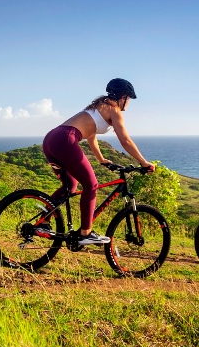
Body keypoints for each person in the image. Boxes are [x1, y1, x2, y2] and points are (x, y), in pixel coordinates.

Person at [42, 78, 155, 246]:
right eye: (129, 99)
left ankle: (43, 221)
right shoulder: (113, 110)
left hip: (51, 139)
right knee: (91, 184)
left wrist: (101, 159)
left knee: (69, 186)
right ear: (123, 96)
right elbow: (125, 141)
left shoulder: (99, 106)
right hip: (65, 139)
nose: (128, 103)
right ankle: (85, 233)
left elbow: (91, 135)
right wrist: (144, 162)